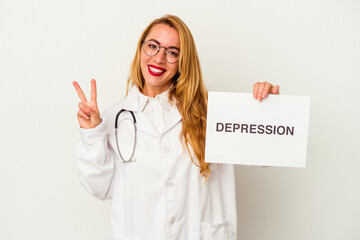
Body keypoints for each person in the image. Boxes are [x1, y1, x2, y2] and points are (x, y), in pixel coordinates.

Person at [72, 15, 279, 240]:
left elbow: (265, 157)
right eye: (153, 46)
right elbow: (100, 188)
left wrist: (268, 110)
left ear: (183, 61)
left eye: (172, 52)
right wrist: (93, 135)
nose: (159, 58)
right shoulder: (114, 118)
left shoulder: (213, 112)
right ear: (141, 50)